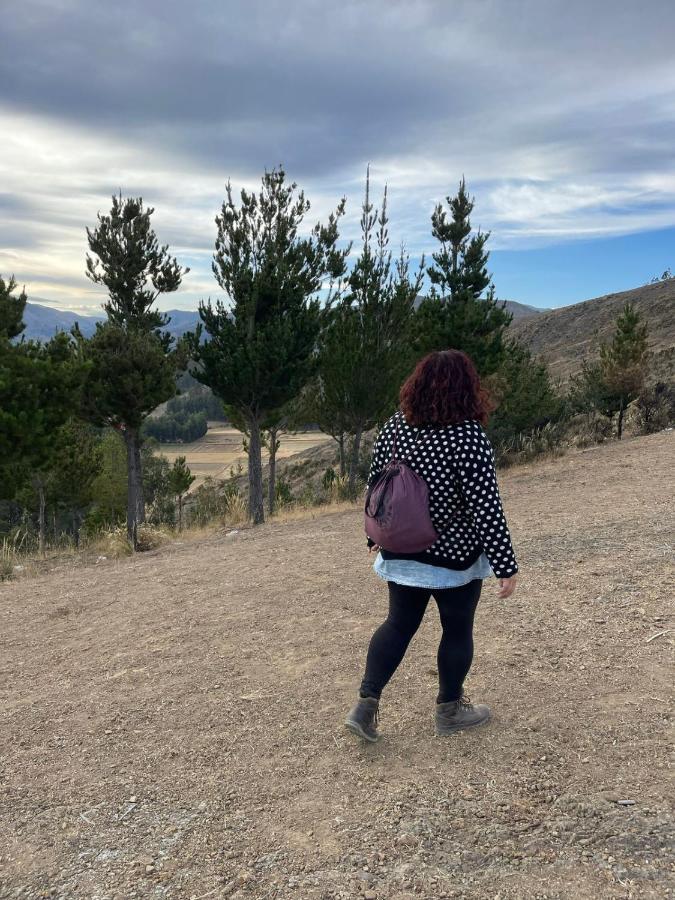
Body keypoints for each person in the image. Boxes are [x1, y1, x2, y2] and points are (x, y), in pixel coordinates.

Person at [345, 349, 518, 742]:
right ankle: (450, 710)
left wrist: (375, 535)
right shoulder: (467, 436)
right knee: (457, 630)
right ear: (467, 389)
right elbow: (484, 504)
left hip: (402, 550)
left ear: (416, 385)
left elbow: (377, 486)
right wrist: (505, 564)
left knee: (398, 625)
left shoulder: (395, 427)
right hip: (453, 558)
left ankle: (365, 705)